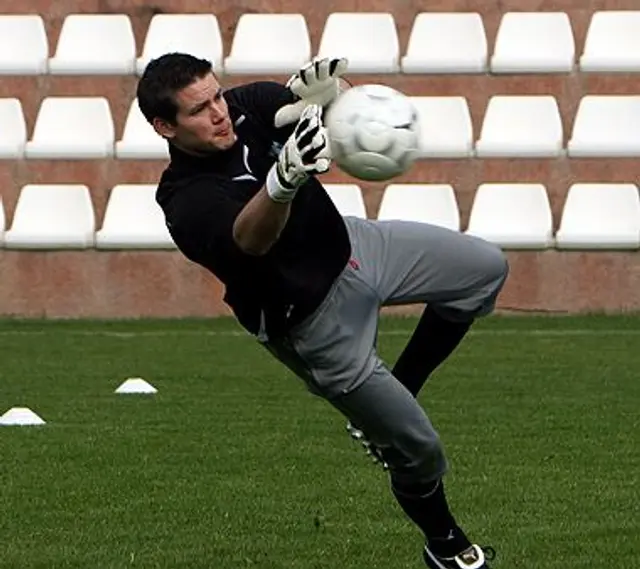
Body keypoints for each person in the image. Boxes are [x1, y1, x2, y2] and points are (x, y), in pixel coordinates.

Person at [136, 52, 508, 569]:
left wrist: (337, 96)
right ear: (165, 127)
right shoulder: (183, 199)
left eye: (217, 95)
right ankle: (445, 545)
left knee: (484, 268)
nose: (219, 112)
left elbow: (340, 117)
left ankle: (400, 390)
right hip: (312, 323)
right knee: (420, 451)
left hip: (354, 249)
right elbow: (251, 241)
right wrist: (281, 182)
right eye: (199, 109)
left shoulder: (248, 106)